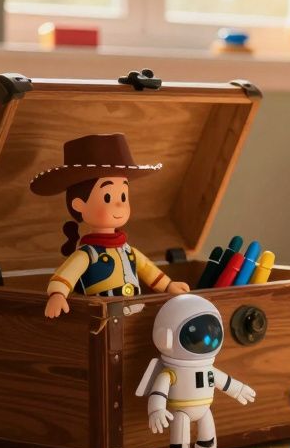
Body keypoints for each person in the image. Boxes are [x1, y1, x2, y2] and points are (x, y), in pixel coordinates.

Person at [30, 133, 189, 318]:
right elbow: (67, 275)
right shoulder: (88, 254)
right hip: (103, 317)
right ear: (79, 204)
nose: (120, 205)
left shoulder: (128, 250)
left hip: (136, 314)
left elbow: (148, 269)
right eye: (108, 197)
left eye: (123, 196)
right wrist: (58, 294)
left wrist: (169, 285)